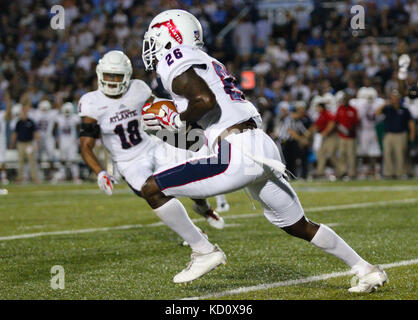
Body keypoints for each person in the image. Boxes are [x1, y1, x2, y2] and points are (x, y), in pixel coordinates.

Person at [140, 9, 388, 292]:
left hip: (235, 150)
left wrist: (175, 118)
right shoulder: (205, 61)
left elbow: (204, 100)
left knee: (152, 188)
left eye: (154, 38)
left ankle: (203, 250)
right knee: (298, 225)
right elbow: (202, 126)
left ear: (169, 35)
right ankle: (365, 269)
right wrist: (172, 125)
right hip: (258, 144)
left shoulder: (175, 58)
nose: (151, 47)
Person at [78, 51, 225, 249]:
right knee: (154, 193)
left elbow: (159, 109)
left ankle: (203, 207)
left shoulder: (138, 88)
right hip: (128, 161)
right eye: (108, 76)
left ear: (127, 76)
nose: (112, 81)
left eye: (117, 76)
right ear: (99, 74)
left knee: (184, 175)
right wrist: (101, 173)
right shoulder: (91, 102)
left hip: (153, 146)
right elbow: (85, 145)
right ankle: (193, 233)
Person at [375, 90, 415, 179]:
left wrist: (412, 134)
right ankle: (389, 173)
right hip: (389, 134)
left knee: (400, 154)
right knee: (387, 154)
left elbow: (410, 123)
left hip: (401, 134)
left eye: (396, 98)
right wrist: (385, 103)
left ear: (399, 99)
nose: (394, 100)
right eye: (393, 98)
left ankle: (399, 173)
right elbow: (376, 113)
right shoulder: (388, 108)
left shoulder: (404, 109)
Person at [9, 106, 40, 184]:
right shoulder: (18, 122)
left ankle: (34, 178)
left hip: (29, 144)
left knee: (31, 161)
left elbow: (35, 133)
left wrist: (38, 143)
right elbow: (15, 134)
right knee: (20, 161)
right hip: (20, 144)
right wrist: (12, 143)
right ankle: (20, 177)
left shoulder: (31, 122)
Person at [308, 101, 338, 179]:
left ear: (322, 107)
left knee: (332, 154)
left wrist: (325, 132)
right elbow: (316, 125)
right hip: (322, 137)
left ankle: (342, 171)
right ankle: (320, 172)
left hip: (330, 137)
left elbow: (332, 123)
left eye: (318, 107)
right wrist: (308, 132)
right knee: (320, 154)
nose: (317, 109)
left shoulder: (327, 114)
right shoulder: (321, 115)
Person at [53, 102, 81, 183]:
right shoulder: (59, 118)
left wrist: (78, 139)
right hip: (62, 142)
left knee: (73, 160)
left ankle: (75, 176)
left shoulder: (75, 118)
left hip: (72, 142)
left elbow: (79, 130)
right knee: (62, 160)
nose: (67, 113)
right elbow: (53, 130)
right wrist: (56, 139)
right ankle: (62, 176)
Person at [335, 93, 359, 179]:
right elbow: (336, 122)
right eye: (344, 99)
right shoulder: (340, 109)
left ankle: (352, 173)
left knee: (351, 155)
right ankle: (342, 172)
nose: (345, 100)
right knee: (341, 155)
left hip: (351, 137)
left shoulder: (353, 110)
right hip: (341, 136)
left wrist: (350, 131)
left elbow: (356, 123)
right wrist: (341, 131)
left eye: (347, 99)